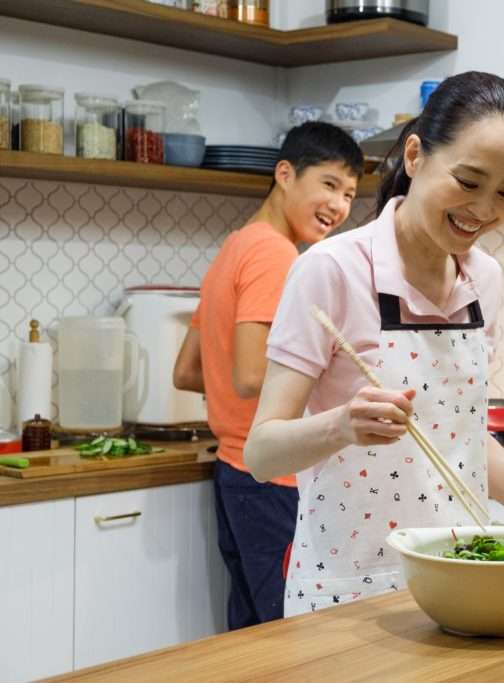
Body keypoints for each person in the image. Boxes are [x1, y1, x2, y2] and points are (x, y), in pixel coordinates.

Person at [244, 71, 504, 617]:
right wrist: (342, 425)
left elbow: (462, 437)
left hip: (462, 582)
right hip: (349, 590)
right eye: (468, 182)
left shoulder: (484, 280)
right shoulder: (330, 270)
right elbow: (260, 453)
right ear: (417, 156)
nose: (485, 210)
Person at [173, 122, 363, 629]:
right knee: (290, 635)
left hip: (235, 472)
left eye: (349, 194)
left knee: (252, 633)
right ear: (285, 174)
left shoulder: (234, 247)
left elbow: (189, 370)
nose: (339, 206)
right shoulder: (275, 254)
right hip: (274, 476)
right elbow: (252, 374)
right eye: (328, 184)